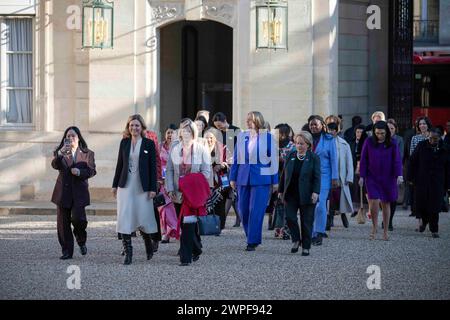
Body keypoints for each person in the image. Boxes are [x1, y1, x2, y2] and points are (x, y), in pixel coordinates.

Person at [112, 115, 158, 265]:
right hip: (125, 186)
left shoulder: (149, 144)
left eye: (137, 125)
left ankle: (148, 244)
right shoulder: (124, 143)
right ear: (128, 127)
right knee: (125, 216)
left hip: (142, 187)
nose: (134, 128)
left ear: (142, 127)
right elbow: (120, 165)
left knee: (143, 216)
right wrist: (114, 185)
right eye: (131, 125)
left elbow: (153, 168)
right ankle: (128, 253)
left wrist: (153, 188)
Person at [165, 118, 212, 266]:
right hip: (178, 193)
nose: (185, 132)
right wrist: (170, 188)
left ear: (193, 132)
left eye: (188, 130)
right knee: (186, 223)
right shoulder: (175, 147)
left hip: (193, 193)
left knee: (188, 224)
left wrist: (191, 182)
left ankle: (185, 257)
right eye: (183, 129)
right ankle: (196, 248)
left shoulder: (201, 148)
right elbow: (170, 170)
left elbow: (206, 171)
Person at [230, 111, 278, 251]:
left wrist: (275, 181)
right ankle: (252, 236)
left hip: (262, 179)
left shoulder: (268, 138)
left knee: (255, 210)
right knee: (243, 210)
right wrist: (232, 177)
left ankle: (252, 241)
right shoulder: (241, 136)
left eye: (250, 120)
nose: (247, 122)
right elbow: (236, 159)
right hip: (243, 178)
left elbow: (273, 160)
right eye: (247, 119)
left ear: (257, 121)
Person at [51, 127, 96, 260]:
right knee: (63, 224)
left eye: (73, 136)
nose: (70, 138)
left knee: (79, 220)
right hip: (62, 192)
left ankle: (81, 240)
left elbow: (92, 171)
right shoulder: (60, 152)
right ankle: (67, 251)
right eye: (68, 136)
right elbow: (55, 165)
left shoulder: (88, 153)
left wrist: (80, 172)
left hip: (79, 193)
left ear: (79, 138)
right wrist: (60, 155)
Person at [359, 121, 403, 241]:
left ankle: (385, 230)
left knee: (386, 203)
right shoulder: (368, 141)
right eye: (377, 133)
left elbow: (397, 160)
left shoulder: (393, 143)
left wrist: (399, 175)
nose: (380, 135)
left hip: (388, 177)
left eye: (382, 133)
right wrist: (362, 176)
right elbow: (364, 159)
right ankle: (374, 227)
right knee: (373, 202)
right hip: (372, 176)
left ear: (387, 132)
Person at [278, 131, 320, 256]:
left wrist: (316, 192)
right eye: (296, 143)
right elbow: (284, 175)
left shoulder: (314, 158)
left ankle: (306, 246)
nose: (298, 146)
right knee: (290, 217)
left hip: (307, 193)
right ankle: (296, 240)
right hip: (291, 193)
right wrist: (281, 190)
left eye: (301, 144)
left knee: (306, 221)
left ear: (308, 144)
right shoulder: (291, 155)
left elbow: (317, 177)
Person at [408, 128, 450, 238]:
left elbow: (448, 168)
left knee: (435, 206)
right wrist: (410, 178)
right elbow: (412, 161)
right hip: (422, 180)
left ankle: (434, 229)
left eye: (435, 139)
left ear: (440, 138)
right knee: (422, 205)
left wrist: (447, 185)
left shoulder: (445, 149)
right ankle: (424, 221)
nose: (431, 141)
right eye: (430, 138)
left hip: (437, 182)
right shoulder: (422, 146)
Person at [308, 115, 339, 246]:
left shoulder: (329, 139)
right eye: (311, 124)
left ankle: (319, 232)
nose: (313, 127)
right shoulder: (305, 138)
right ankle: (309, 232)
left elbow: (334, 159)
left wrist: (335, 177)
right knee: (309, 205)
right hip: (308, 176)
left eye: (316, 124)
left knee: (320, 204)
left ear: (322, 125)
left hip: (324, 176)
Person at [212, 112, 242, 227]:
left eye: (220, 126)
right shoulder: (218, 133)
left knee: (232, 192)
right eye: (216, 126)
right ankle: (230, 219)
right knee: (227, 191)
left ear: (225, 121)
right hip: (223, 167)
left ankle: (236, 217)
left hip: (234, 166)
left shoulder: (236, 131)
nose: (218, 128)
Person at [327, 122, 354, 229]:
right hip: (328, 175)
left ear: (337, 131)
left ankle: (343, 215)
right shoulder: (324, 142)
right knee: (330, 198)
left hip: (340, 175)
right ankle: (330, 218)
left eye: (333, 129)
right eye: (329, 129)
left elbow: (349, 161)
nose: (331, 132)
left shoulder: (344, 144)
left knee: (340, 197)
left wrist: (349, 176)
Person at [204, 128, 232, 230]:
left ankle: (219, 225)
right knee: (206, 203)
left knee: (220, 203)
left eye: (211, 138)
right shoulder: (201, 148)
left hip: (220, 181)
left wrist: (221, 165)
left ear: (215, 138)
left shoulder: (222, 148)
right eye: (206, 137)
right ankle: (207, 225)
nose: (209, 140)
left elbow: (230, 162)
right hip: (206, 180)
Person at [271, 123, 295, 238]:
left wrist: (281, 160)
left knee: (287, 204)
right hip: (276, 177)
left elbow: (294, 162)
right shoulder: (273, 145)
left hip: (287, 178)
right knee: (278, 204)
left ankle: (287, 229)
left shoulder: (292, 146)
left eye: (277, 133)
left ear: (284, 134)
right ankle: (278, 228)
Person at [409, 116, 432, 223]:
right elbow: (412, 156)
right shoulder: (415, 138)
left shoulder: (433, 137)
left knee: (430, 197)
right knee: (419, 196)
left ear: (428, 125)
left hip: (432, 171)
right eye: (420, 124)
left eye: (424, 123)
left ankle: (429, 220)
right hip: (419, 171)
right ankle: (420, 222)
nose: (422, 126)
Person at [386, 119, 404, 231]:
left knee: (392, 198)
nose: (390, 130)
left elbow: (400, 155)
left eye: (392, 128)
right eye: (388, 128)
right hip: (381, 172)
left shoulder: (399, 140)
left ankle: (389, 221)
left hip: (393, 172)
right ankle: (385, 218)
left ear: (395, 129)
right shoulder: (380, 139)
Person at [349, 124, 367, 217]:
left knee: (364, 189)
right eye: (358, 132)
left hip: (364, 168)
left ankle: (364, 208)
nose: (359, 134)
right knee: (354, 188)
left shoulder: (366, 143)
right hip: (353, 168)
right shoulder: (351, 143)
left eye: (361, 132)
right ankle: (355, 208)